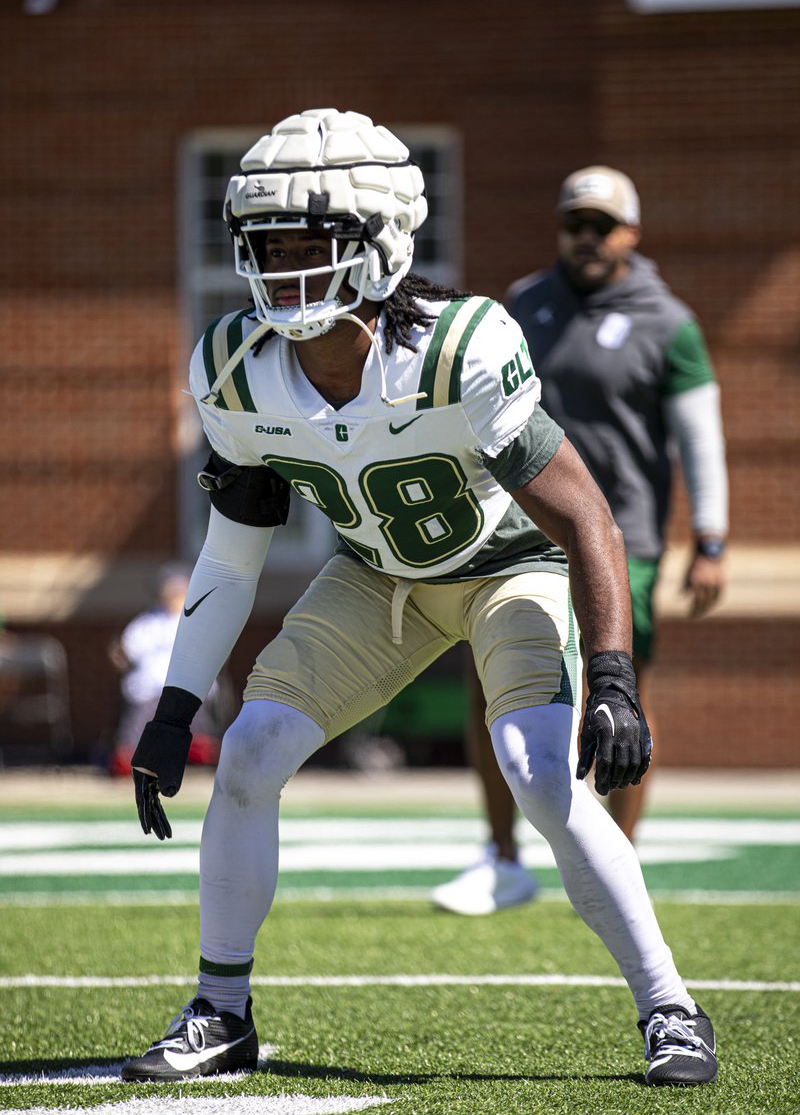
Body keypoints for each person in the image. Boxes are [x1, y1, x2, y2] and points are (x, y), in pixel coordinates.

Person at [121, 113, 718, 1088]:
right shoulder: (235, 366)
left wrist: (611, 674)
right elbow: (231, 558)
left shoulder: (457, 348)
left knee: (535, 768)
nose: (287, 269)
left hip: (504, 568)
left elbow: (589, 520)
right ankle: (220, 1011)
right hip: (374, 576)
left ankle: (668, 1008)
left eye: (312, 245)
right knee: (249, 751)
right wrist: (174, 707)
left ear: (379, 245)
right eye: (269, 247)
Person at [432, 165, 728, 917]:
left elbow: (699, 436)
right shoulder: (524, 304)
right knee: (488, 681)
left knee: (618, 691)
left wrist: (712, 538)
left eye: (602, 226)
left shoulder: (670, 322)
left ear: (631, 233)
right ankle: (502, 857)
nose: (587, 239)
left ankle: (613, 864)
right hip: (513, 526)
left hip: (621, 531)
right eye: (575, 225)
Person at [107, 563, 225, 777]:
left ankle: (197, 750)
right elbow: (125, 651)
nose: (174, 597)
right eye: (170, 592)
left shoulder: (201, 620)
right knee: (142, 716)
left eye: (179, 592)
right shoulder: (147, 623)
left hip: (189, 686)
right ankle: (130, 756)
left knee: (194, 712)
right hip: (151, 688)